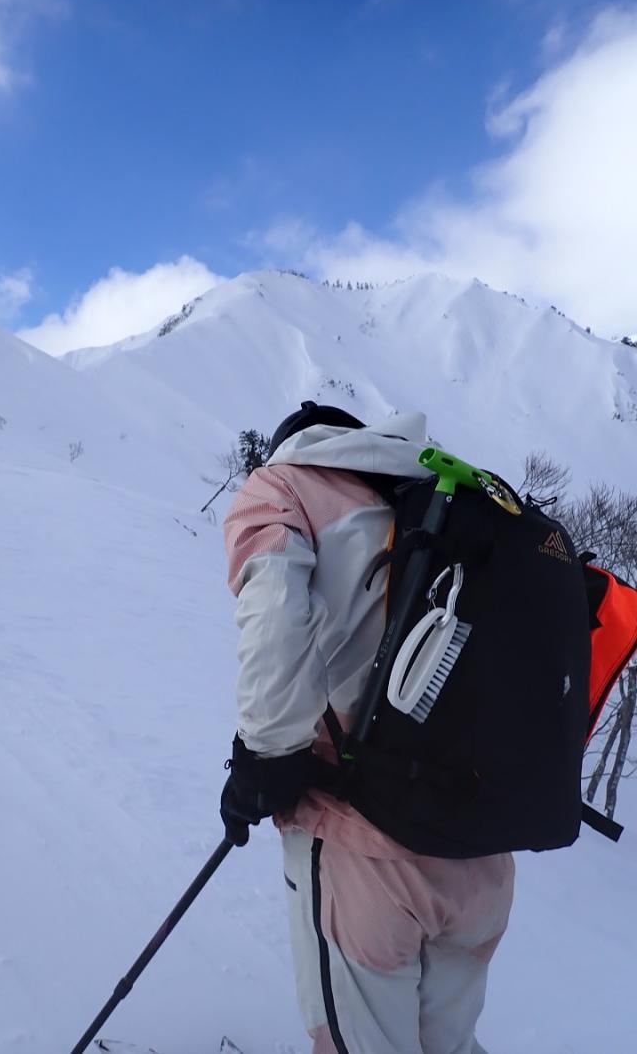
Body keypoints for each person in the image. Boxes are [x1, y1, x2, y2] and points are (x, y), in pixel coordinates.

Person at [219, 402, 515, 1054]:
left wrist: (265, 758)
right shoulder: (448, 505)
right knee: (448, 1045)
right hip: (482, 858)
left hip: (365, 846)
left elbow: (274, 611)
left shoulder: (283, 484)